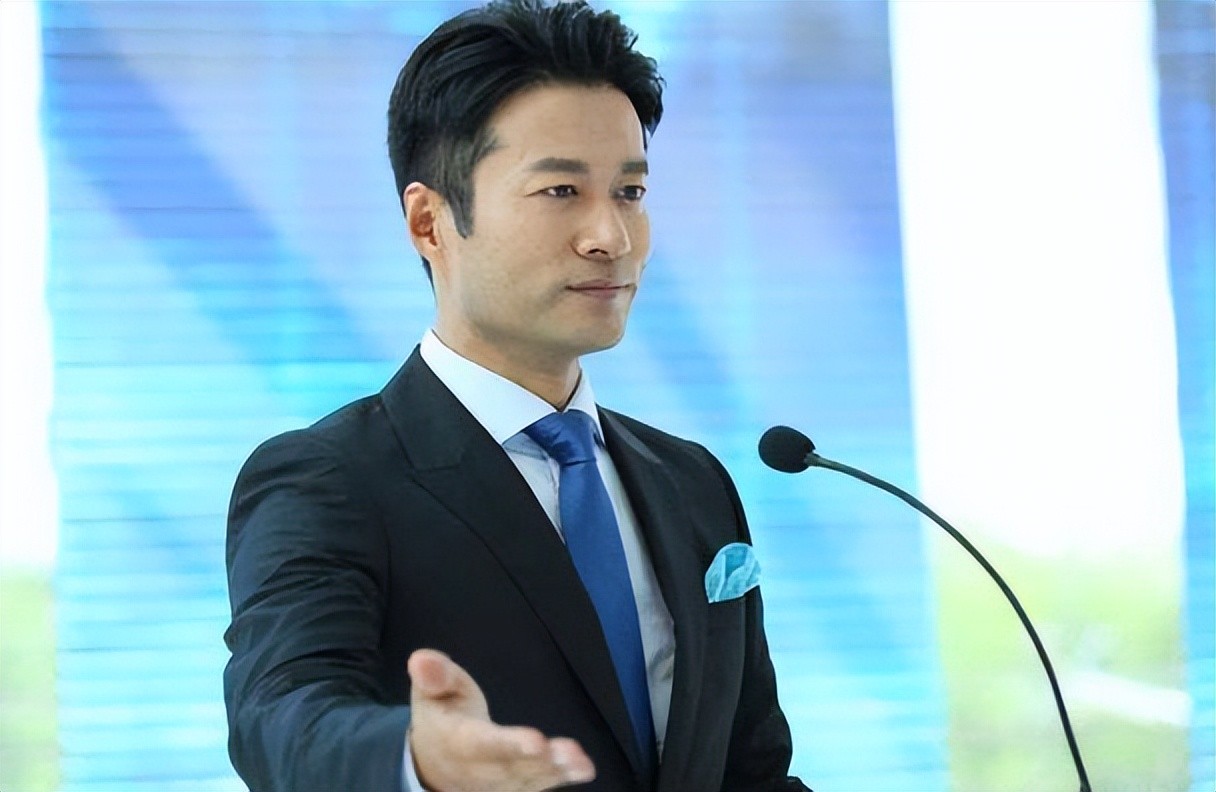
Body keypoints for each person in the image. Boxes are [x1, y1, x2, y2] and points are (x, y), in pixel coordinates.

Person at [223, 1, 809, 790]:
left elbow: (753, 772)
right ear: (430, 222)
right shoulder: (329, 478)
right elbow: (281, 715)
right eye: (562, 190)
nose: (611, 237)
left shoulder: (692, 482)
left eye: (630, 191)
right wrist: (417, 759)